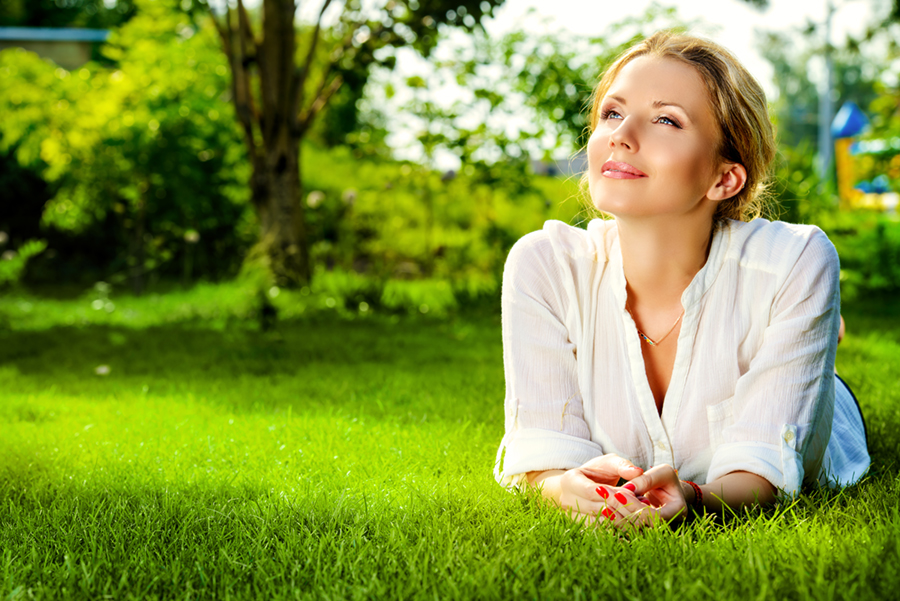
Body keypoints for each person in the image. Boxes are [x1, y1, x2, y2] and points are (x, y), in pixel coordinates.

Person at [494, 31, 870, 531]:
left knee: (790, 337)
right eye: (612, 113)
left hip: (816, 399)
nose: (621, 136)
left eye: (666, 119)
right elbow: (542, 448)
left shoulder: (796, 259)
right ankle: (815, 327)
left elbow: (765, 468)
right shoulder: (543, 265)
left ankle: (813, 336)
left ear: (724, 179)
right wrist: (563, 487)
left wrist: (696, 499)